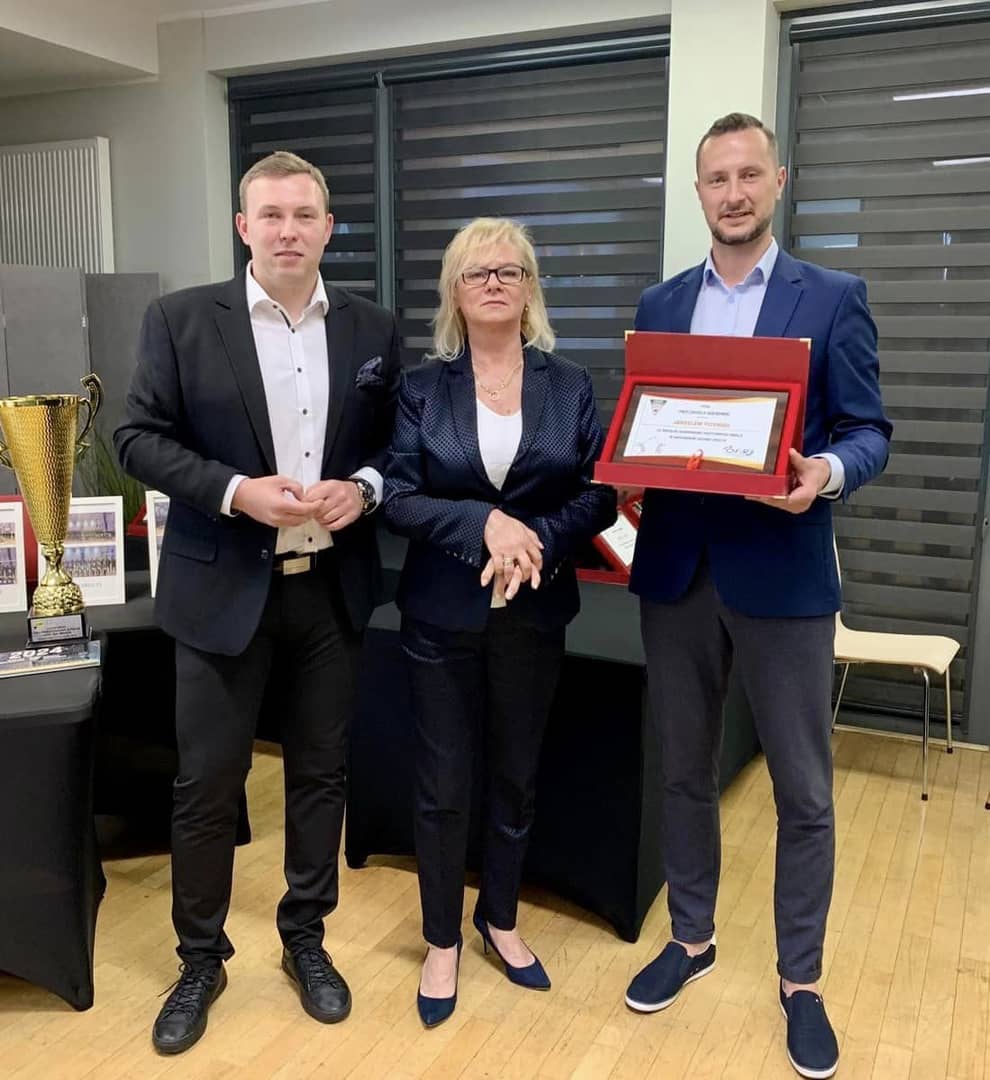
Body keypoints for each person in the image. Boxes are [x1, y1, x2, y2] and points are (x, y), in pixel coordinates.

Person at [623, 114, 891, 1080]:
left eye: (748, 175)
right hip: (678, 571)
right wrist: (631, 469)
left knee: (803, 790)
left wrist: (825, 472)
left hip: (784, 574)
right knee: (683, 771)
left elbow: (869, 430)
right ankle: (691, 938)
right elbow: (648, 421)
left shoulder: (833, 297)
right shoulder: (659, 303)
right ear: (697, 191)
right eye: (715, 179)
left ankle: (801, 980)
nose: (732, 194)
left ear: (778, 180)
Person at [115, 150, 399, 1054]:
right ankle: (201, 959)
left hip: (331, 593)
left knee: (321, 775)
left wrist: (366, 487)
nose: (287, 230)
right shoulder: (179, 320)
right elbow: (134, 437)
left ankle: (305, 938)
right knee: (206, 785)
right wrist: (236, 490)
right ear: (244, 227)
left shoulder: (373, 326)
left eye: (304, 214)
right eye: (270, 215)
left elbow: (400, 444)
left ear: (328, 227)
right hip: (219, 590)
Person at [382, 218, 617, 1028]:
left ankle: (502, 919)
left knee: (517, 776)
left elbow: (598, 492)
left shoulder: (570, 385)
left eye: (508, 271)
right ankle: (441, 938)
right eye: (477, 272)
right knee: (443, 784)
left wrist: (533, 540)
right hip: (440, 614)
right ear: (454, 291)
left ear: (529, 288)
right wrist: (484, 524)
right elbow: (399, 497)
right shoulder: (421, 388)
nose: (493, 283)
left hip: (534, 609)